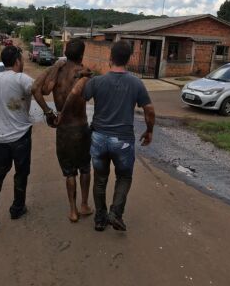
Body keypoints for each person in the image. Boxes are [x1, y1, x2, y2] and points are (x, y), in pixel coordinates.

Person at [60, 40, 155, 232]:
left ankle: (100, 219)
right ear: (128, 59)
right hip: (123, 141)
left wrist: (81, 75)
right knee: (124, 177)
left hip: (99, 139)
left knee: (100, 179)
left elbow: (78, 93)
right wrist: (149, 130)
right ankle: (116, 213)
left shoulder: (96, 81)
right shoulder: (136, 83)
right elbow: (149, 110)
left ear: (111, 58)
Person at [32, 39, 92, 223]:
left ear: (65, 53)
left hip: (63, 129)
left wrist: (48, 112)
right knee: (84, 168)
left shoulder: (56, 73)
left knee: (69, 172)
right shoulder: (83, 74)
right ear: (82, 54)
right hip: (81, 127)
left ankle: (72, 211)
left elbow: (36, 89)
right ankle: (83, 204)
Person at [0, 46, 34, 229]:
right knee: (21, 172)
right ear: (18, 60)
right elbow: (39, 88)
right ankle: (17, 207)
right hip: (20, 137)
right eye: (22, 59)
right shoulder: (21, 78)